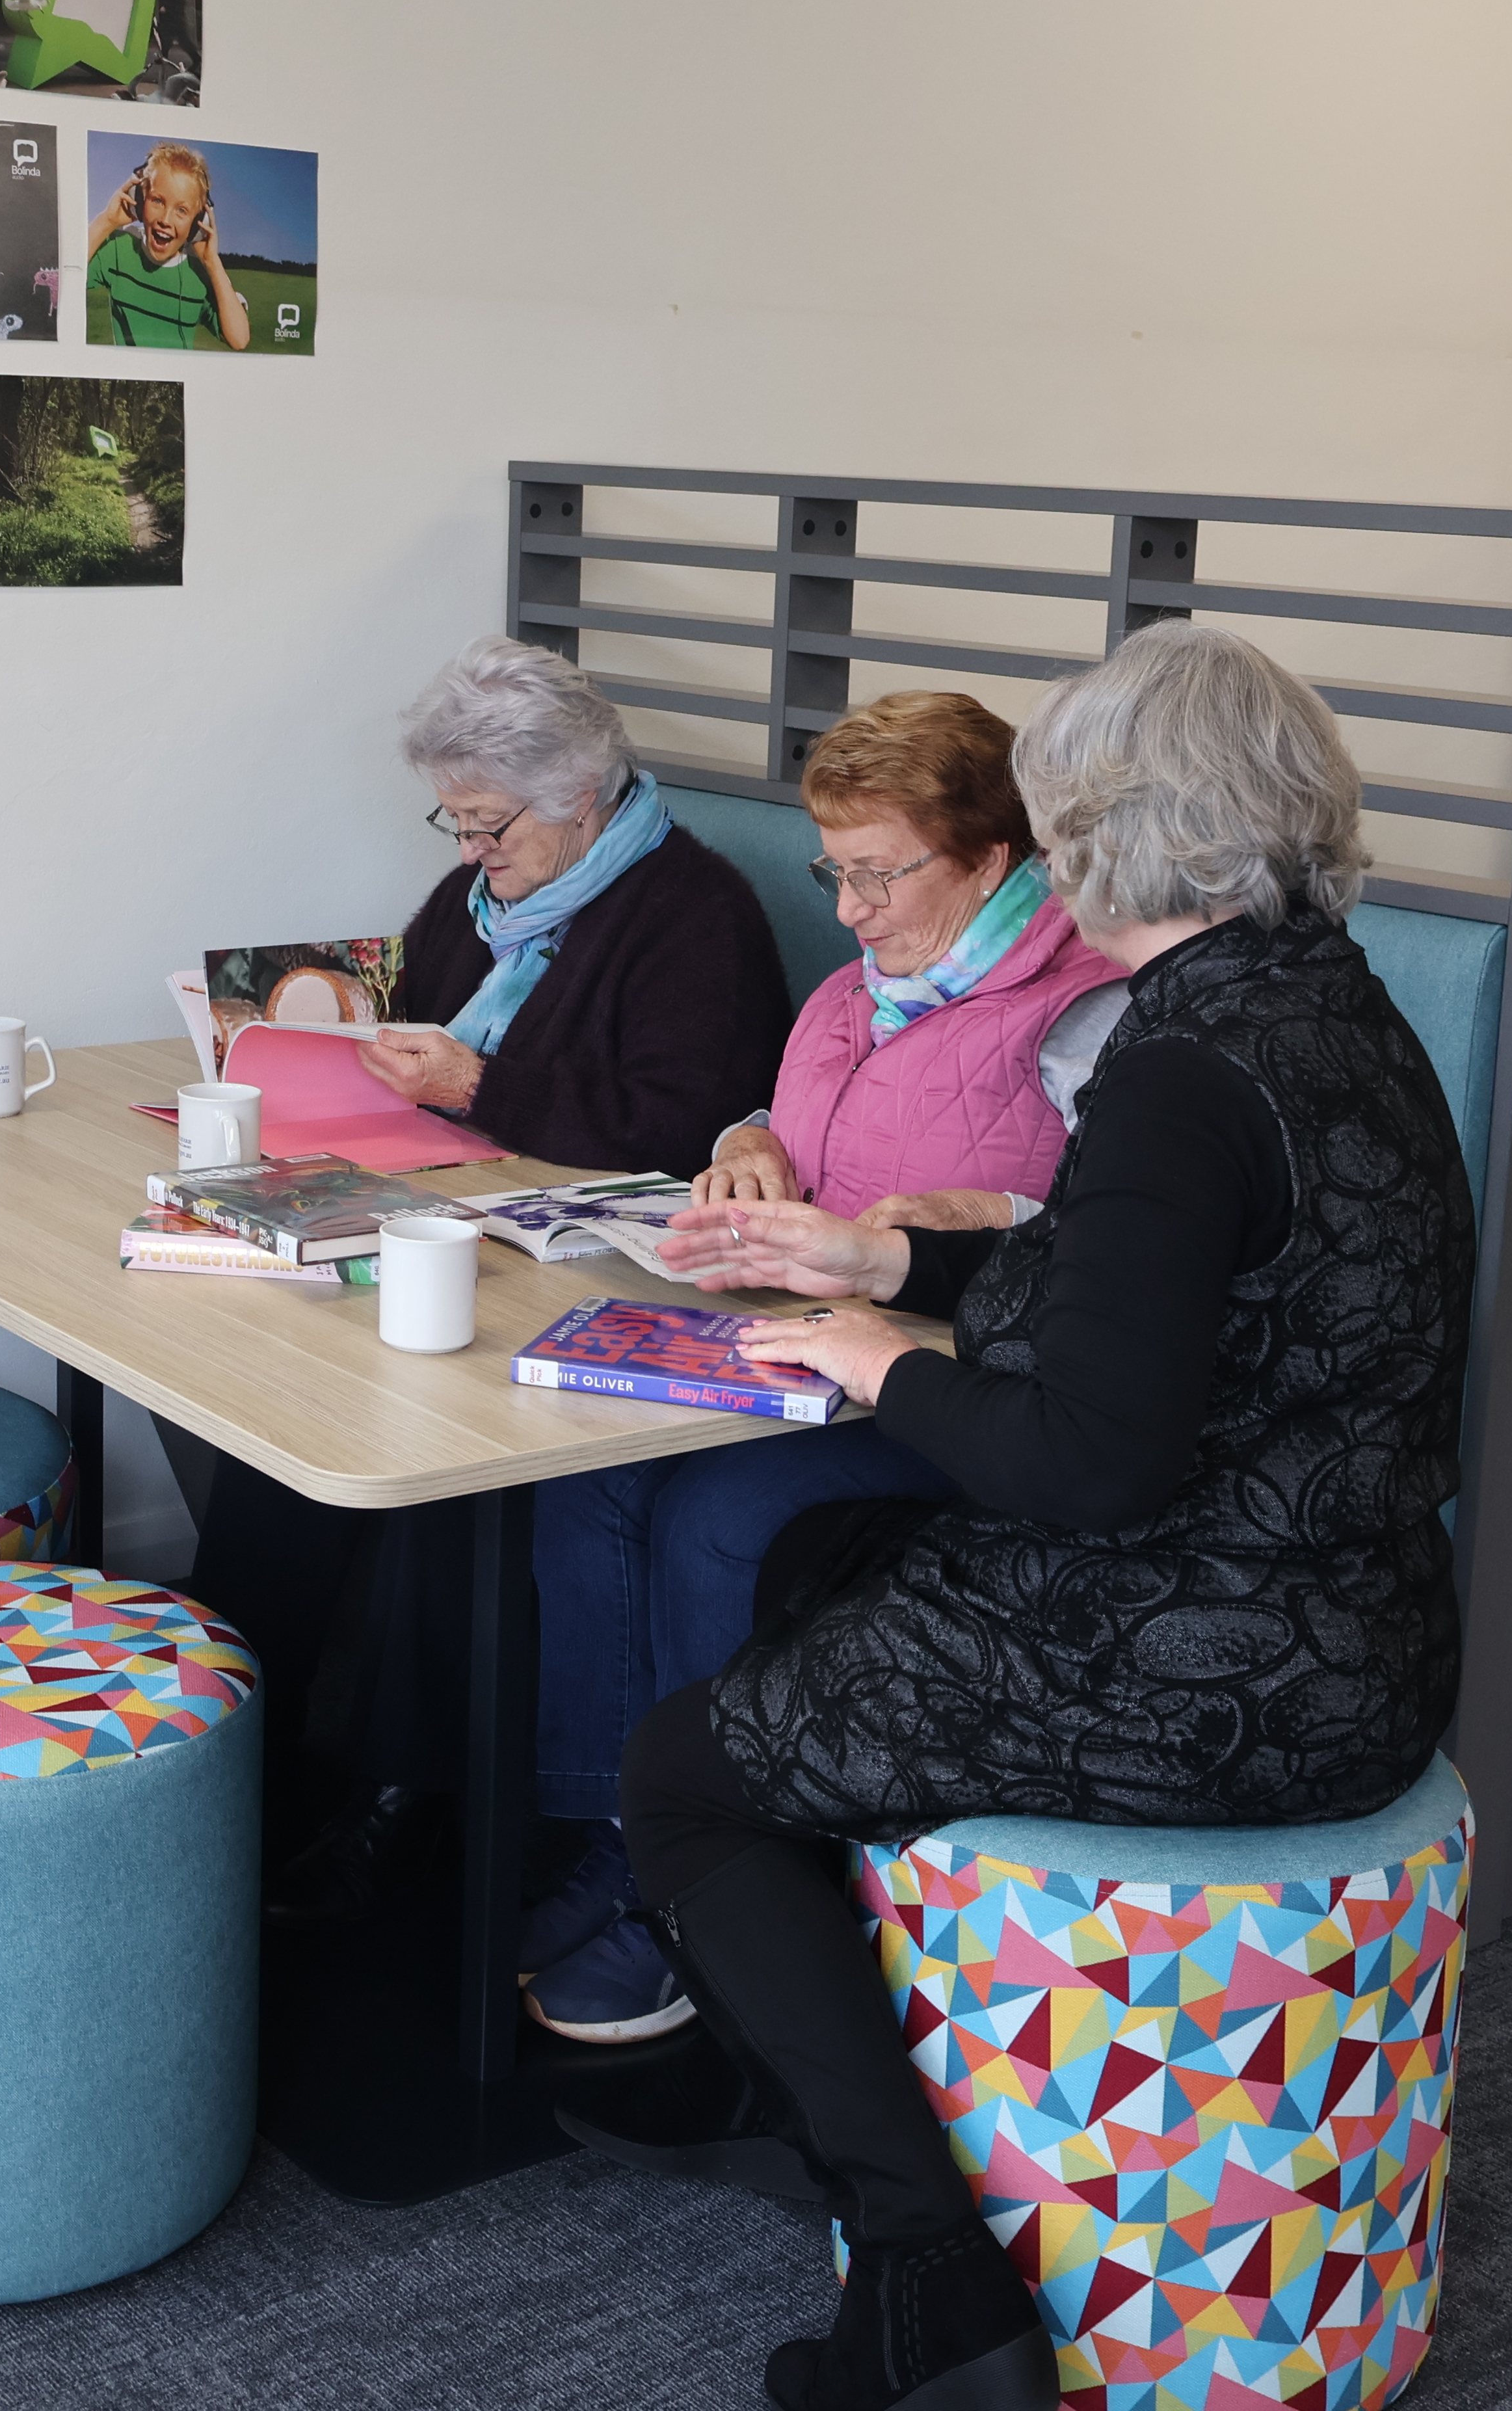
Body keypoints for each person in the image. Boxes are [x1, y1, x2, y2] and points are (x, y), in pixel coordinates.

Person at [555, 624, 1477, 2411]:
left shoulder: (1177, 1069)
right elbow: (1127, 1287)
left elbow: (1086, 1464)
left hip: (1220, 1660)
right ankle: (848, 2035)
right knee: (816, 1564)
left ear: (1098, 835)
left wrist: (875, 1363)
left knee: (684, 1768)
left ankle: (925, 2279)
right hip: (1367, 1613)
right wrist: (894, 1264)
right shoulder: (1327, 1010)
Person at [512, 690, 1132, 2043]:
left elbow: (1120, 1241)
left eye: (876, 872)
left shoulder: (1086, 1011)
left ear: (990, 858)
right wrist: (753, 1143)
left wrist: (972, 1229)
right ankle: (621, 1830)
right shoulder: (869, 989)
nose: (847, 909)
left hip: (956, 1384)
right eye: (831, 871)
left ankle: (716, 1882)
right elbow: (803, 1115)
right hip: (805, 1345)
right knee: (586, 1483)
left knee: (717, 1514)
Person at [176, 638, 789, 1917]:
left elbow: (675, 1128)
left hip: (583, 1269)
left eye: (487, 825)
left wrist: (478, 1087)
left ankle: (376, 1801)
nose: (466, 854)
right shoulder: (494, 900)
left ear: (580, 793)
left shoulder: (696, 918)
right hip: (451, 1227)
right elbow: (414, 1009)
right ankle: (225, 1778)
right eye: (453, 823)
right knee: (269, 1432)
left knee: (388, 1464)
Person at [83, 144, 250, 351]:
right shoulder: (118, 249)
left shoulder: (200, 274)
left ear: (198, 222)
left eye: (181, 210)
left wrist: (212, 263)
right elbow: (64, 276)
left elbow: (240, 339)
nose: (165, 220)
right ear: (140, 201)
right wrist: (106, 221)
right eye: (158, 201)